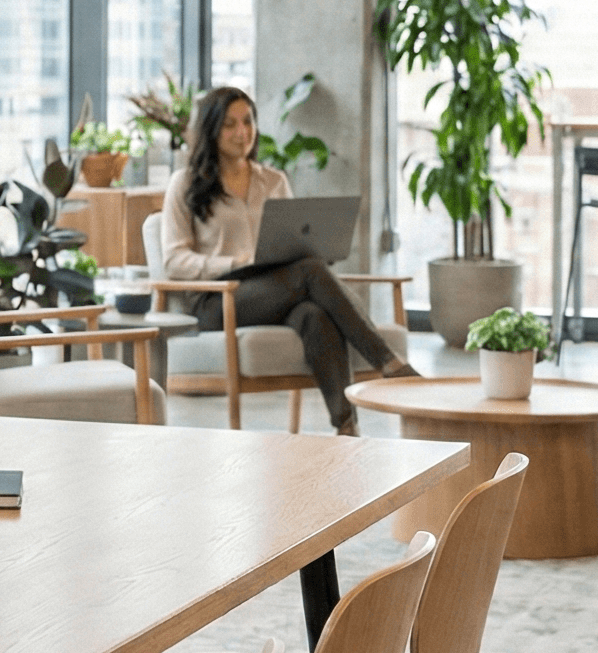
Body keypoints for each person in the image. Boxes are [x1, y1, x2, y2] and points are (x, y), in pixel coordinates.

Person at [154, 84, 416, 435]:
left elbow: (293, 242)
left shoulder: (273, 180)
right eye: (230, 124)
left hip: (274, 289)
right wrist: (233, 262)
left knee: (314, 314)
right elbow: (173, 260)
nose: (242, 132)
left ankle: (346, 426)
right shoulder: (184, 184)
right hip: (218, 300)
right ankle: (388, 361)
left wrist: (312, 249)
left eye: (248, 122)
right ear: (212, 129)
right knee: (309, 272)